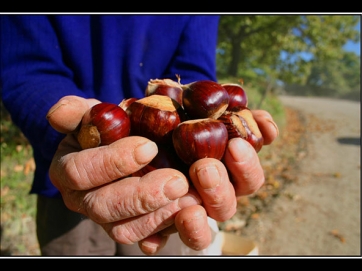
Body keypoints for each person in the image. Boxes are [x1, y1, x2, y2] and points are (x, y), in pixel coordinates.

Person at [1, 15, 279, 256]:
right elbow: (26, 66)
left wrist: (200, 130)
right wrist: (67, 135)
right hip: (66, 174)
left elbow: (193, 81)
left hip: (166, 187)